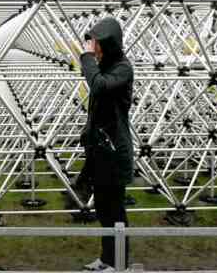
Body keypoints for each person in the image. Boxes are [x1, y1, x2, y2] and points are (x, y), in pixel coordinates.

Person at [78, 17, 134, 272]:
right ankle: (106, 259)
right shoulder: (106, 67)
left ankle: (118, 262)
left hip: (115, 153)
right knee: (103, 209)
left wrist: (86, 58)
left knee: (115, 212)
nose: (93, 47)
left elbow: (99, 87)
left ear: (108, 44)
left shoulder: (122, 69)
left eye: (96, 43)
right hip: (101, 152)